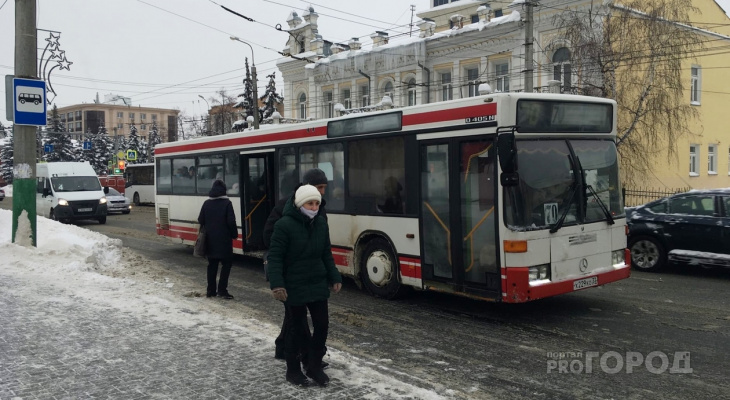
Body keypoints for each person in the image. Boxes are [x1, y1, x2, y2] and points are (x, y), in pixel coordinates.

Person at [267, 184, 342, 387]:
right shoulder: (284, 225)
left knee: (322, 325)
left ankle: (314, 366)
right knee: (295, 328)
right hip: (294, 284)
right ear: (300, 203)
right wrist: (277, 285)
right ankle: (293, 370)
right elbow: (275, 258)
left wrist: (335, 276)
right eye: (310, 202)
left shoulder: (321, 224)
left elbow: (326, 253)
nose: (314, 206)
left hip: (317, 283)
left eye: (317, 203)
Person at [263, 168, 328, 364]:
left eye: (324, 187)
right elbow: (268, 236)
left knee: (294, 317)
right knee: (297, 318)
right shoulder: (286, 206)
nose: (322, 192)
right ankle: (306, 356)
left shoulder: (317, 206)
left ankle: (283, 347)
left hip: (309, 274)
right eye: (319, 187)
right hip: (287, 273)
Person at [197, 179, 238, 299]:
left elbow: (201, 220)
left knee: (212, 265)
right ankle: (222, 290)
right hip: (224, 241)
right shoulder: (227, 204)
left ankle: (210, 291)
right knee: (226, 265)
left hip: (210, 240)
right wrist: (234, 234)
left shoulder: (206, 203)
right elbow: (231, 221)